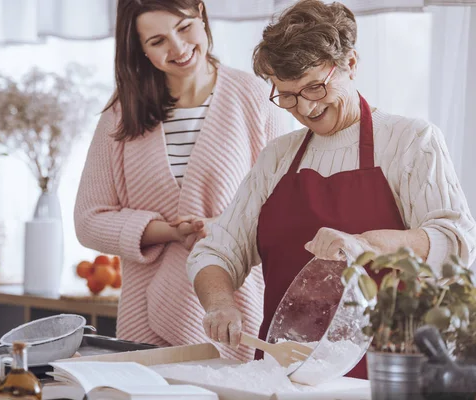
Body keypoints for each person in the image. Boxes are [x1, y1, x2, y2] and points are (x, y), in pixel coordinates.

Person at [187, 0, 476, 378]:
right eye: (287, 95)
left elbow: (455, 241)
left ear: (350, 64)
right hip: (283, 377)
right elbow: (216, 251)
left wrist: (366, 242)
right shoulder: (277, 157)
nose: (304, 108)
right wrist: (220, 303)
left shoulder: (410, 140)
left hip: (383, 375)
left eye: (315, 88)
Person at [74, 0, 286, 361]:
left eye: (184, 28)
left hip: (236, 308)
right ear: (139, 48)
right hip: (145, 318)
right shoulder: (121, 115)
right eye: (157, 41)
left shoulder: (255, 97)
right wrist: (168, 232)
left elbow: (283, 207)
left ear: (201, 14)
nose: (178, 48)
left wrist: (219, 227)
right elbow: (88, 221)